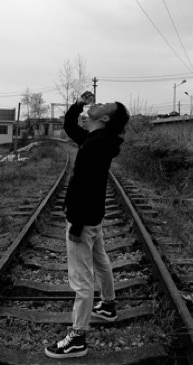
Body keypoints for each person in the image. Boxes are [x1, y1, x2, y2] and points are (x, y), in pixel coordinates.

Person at [45, 91, 130, 359]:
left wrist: (77, 223)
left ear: (105, 118)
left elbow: (86, 186)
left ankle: (78, 338)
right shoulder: (96, 139)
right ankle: (108, 305)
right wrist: (79, 104)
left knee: (81, 280)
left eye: (105, 105)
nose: (99, 103)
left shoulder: (95, 145)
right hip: (93, 216)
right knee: (100, 260)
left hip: (84, 217)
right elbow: (70, 127)